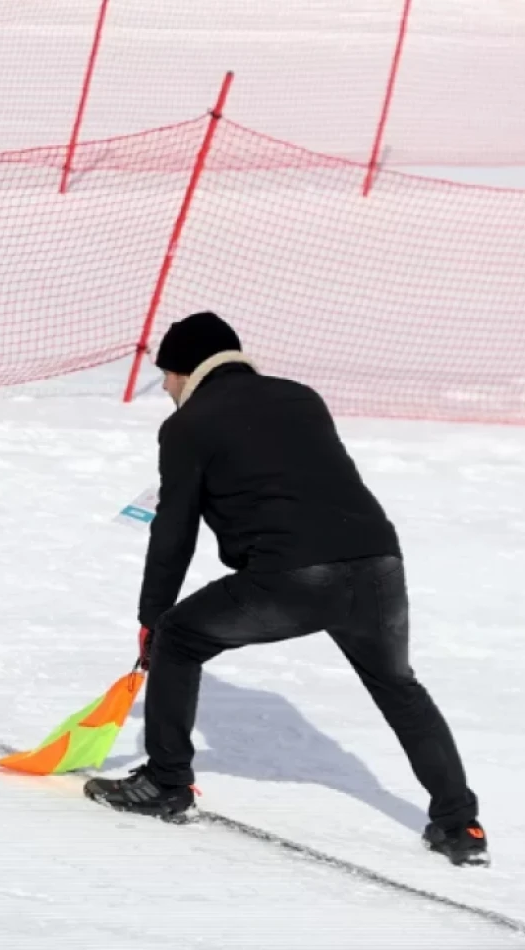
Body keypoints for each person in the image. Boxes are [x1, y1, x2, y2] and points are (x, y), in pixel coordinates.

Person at [82, 311, 487, 868]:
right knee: (399, 686)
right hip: (377, 563)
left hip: (293, 575)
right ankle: (459, 822)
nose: (168, 390)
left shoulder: (188, 426)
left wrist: (154, 615)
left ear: (184, 371)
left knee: (179, 637)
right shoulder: (301, 397)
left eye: (168, 379)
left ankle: (165, 783)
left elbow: (174, 529)